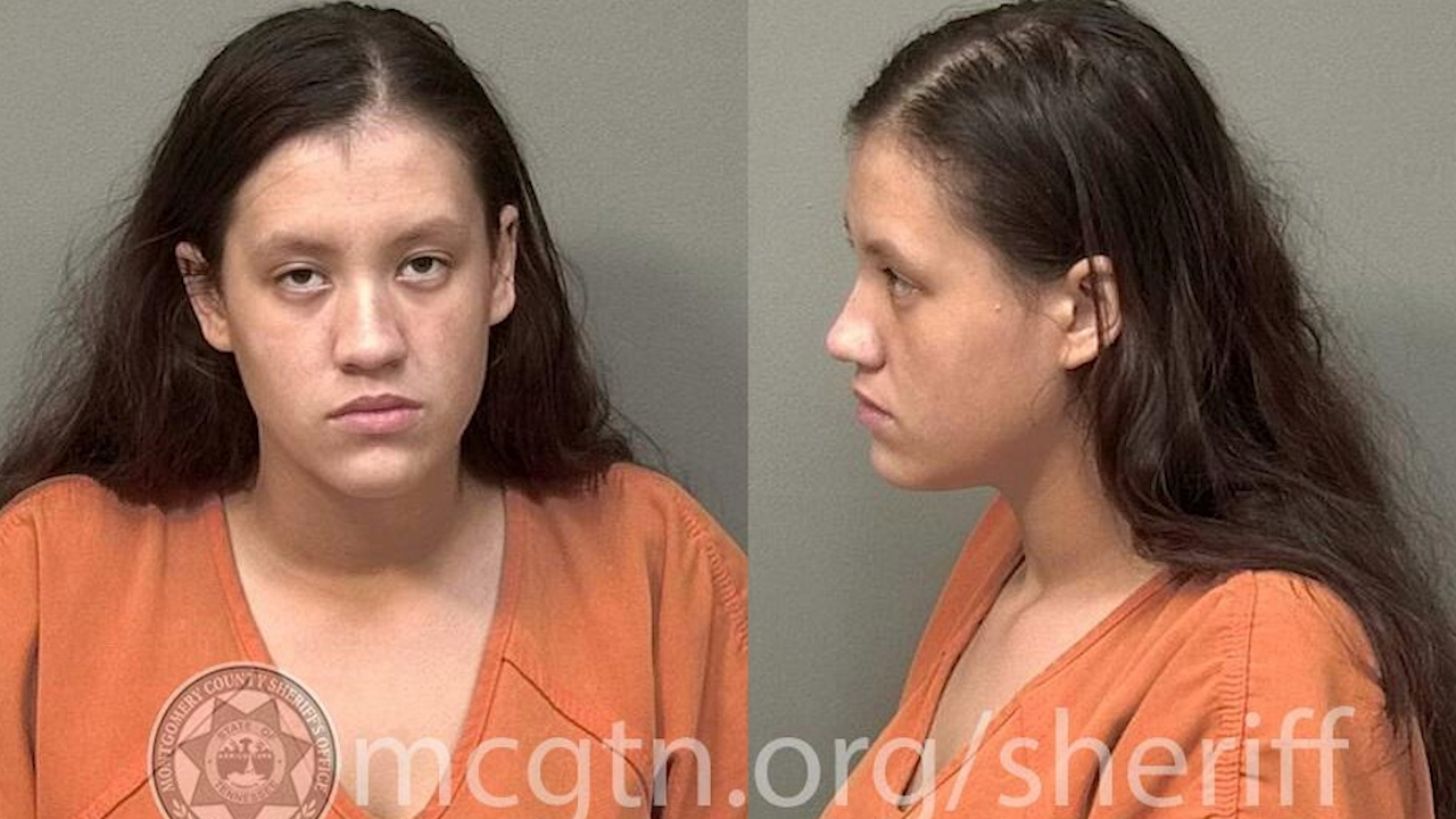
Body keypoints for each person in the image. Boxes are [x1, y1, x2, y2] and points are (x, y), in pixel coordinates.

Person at [0, 4, 745, 817]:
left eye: (422, 264)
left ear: (500, 264)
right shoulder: (39, 588)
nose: (370, 341)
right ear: (208, 295)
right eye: (300, 276)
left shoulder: (659, 571)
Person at [822, 1, 1452, 816]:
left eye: (901, 279)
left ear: (1086, 310)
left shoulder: (1260, 675)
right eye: (862, 264)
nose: (848, 333)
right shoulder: (1009, 553)